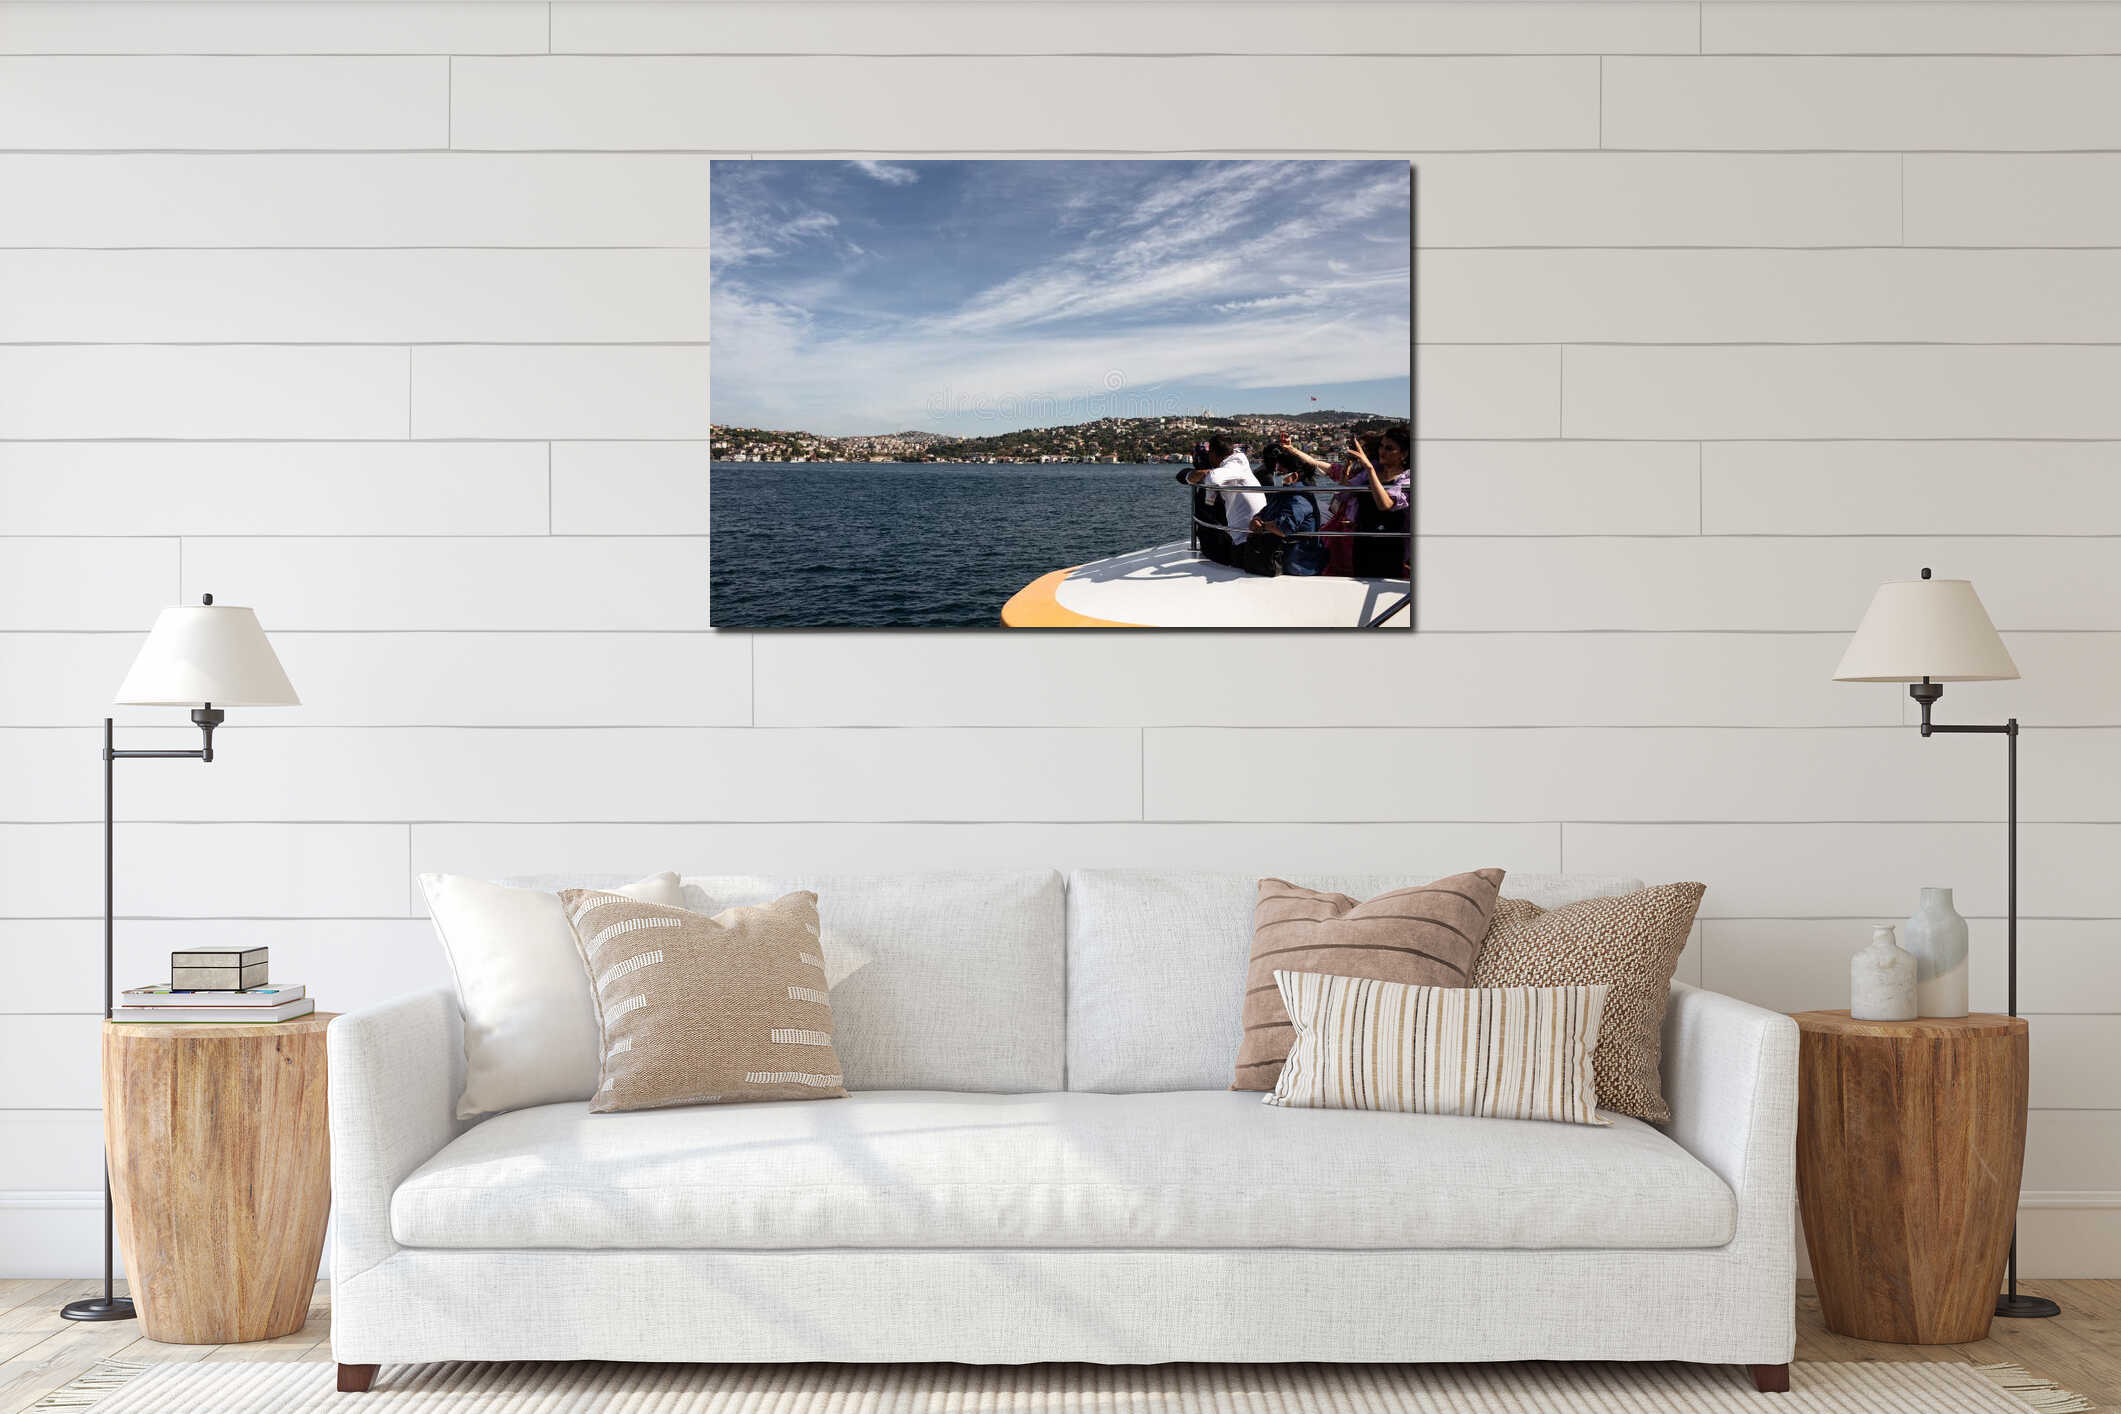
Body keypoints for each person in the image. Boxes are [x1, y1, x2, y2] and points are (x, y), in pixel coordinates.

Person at [1244, 443, 1327, 576]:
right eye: (1276, 472)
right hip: (1279, 558)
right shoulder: (1283, 493)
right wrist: (1257, 518)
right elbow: (1266, 511)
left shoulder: (1299, 499)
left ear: (1294, 477)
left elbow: (1284, 527)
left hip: (1298, 564)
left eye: (1281, 472)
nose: (1277, 476)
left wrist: (1263, 526)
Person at [1182, 435, 1264, 566]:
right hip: (1253, 534)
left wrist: (1190, 476)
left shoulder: (1234, 465)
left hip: (1246, 540)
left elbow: (1212, 479)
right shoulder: (1237, 460)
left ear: (1213, 453)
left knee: (1211, 550)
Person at [1348, 425, 1411, 580]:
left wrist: (1369, 470)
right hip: (1362, 540)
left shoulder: (1407, 479)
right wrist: (1347, 469)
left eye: (1389, 448)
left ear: (1404, 454)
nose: (1382, 451)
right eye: (1382, 446)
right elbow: (1344, 492)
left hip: (1389, 545)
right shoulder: (1373, 471)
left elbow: (1386, 505)